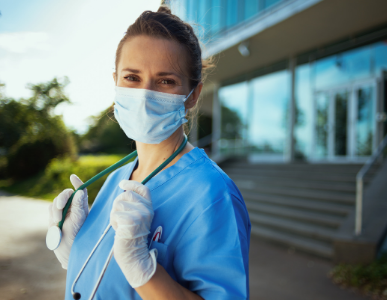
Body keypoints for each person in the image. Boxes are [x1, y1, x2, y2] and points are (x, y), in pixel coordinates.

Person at [48, 5, 251, 300]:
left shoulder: (213, 195)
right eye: (132, 78)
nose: (144, 94)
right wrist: (76, 250)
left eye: (165, 81)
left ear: (192, 95)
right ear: (115, 81)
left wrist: (144, 269)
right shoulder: (115, 179)